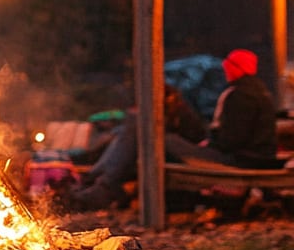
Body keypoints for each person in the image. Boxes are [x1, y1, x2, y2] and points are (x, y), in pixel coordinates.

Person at [70, 82, 206, 211]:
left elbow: (195, 137)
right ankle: (92, 183)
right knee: (124, 132)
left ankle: (95, 183)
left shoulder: (178, 112)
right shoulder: (158, 114)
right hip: (155, 153)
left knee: (132, 132)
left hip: (183, 153)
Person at [165, 48, 277, 169]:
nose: (225, 70)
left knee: (168, 141)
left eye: (227, 66)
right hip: (260, 157)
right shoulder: (262, 92)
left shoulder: (239, 96)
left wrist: (210, 145)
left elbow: (232, 140)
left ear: (235, 68)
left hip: (242, 160)